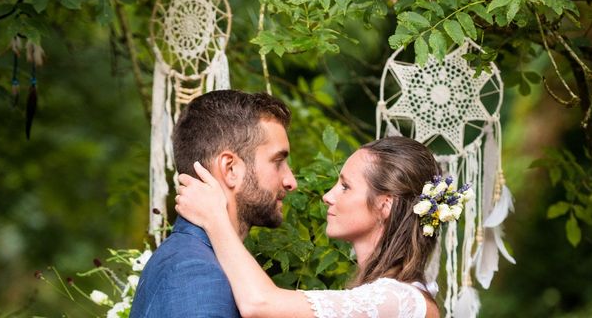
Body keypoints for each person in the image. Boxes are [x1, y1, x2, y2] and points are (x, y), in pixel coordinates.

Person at [176, 136, 472, 318]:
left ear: (386, 204)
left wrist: (214, 217)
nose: (328, 196)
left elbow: (259, 303)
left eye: (345, 187)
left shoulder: (401, 301)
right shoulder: (382, 296)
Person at [130, 90, 297, 317]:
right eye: (278, 162)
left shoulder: (200, 259)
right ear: (230, 169)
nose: (291, 181)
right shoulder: (195, 271)